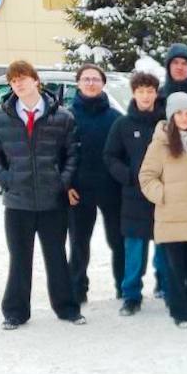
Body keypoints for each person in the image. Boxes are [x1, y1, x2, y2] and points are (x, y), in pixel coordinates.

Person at [0, 59, 83, 329]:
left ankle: (67, 308)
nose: (18, 84)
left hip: (53, 202)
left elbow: (72, 154)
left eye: (22, 78)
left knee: (56, 256)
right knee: (19, 258)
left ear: (36, 80)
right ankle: (15, 312)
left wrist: (62, 182)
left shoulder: (61, 117)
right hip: (18, 203)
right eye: (13, 80)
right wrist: (7, 179)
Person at [138, 92, 187, 328]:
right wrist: (164, 195)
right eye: (178, 113)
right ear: (171, 116)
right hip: (170, 216)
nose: (183, 118)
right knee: (175, 269)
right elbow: (147, 177)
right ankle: (180, 312)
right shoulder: (160, 144)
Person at [104, 70, 169, 316]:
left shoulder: (166, 124)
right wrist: (129, 176)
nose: (145, 96)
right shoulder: (122, 124)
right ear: (133, 93)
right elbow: (110, 156)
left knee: (164, 247)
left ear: (156, 93)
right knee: (134, 250)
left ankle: (166, 287)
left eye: (150, 91)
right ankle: (131, 295)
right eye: (141, 91)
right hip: (134, 198)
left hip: (162, 196)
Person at [67, 62, 124, 304]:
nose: (91, 83)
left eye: (95, 79)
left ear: (103, 83)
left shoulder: (115, 118)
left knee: (118, 241)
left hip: (111, 189)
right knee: (79, 243)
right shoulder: (67, 117)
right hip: (78, 190)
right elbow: (59, 154)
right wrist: (66, 185)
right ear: (78, 83)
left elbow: (124, 154)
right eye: (86, 79)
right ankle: (76, 290)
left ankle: (124, 288)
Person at [155, 42, 187, 115]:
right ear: (168, 67)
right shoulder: (156, 98)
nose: (180, 67)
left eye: (184, 63)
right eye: (175, 62)